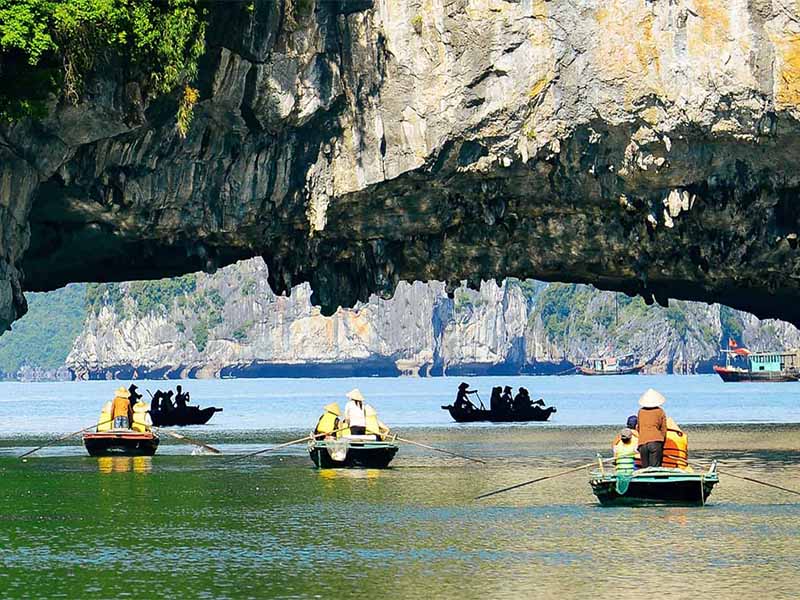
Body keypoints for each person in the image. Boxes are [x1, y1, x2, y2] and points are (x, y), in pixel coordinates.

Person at [636, 389, 668, 468]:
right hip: (656, 441)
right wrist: (663, 442)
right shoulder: (660, 411)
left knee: (645, 468)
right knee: (655, 469)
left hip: (642, 443)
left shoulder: (640, 411)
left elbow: (638, 428)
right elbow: (663, 429)